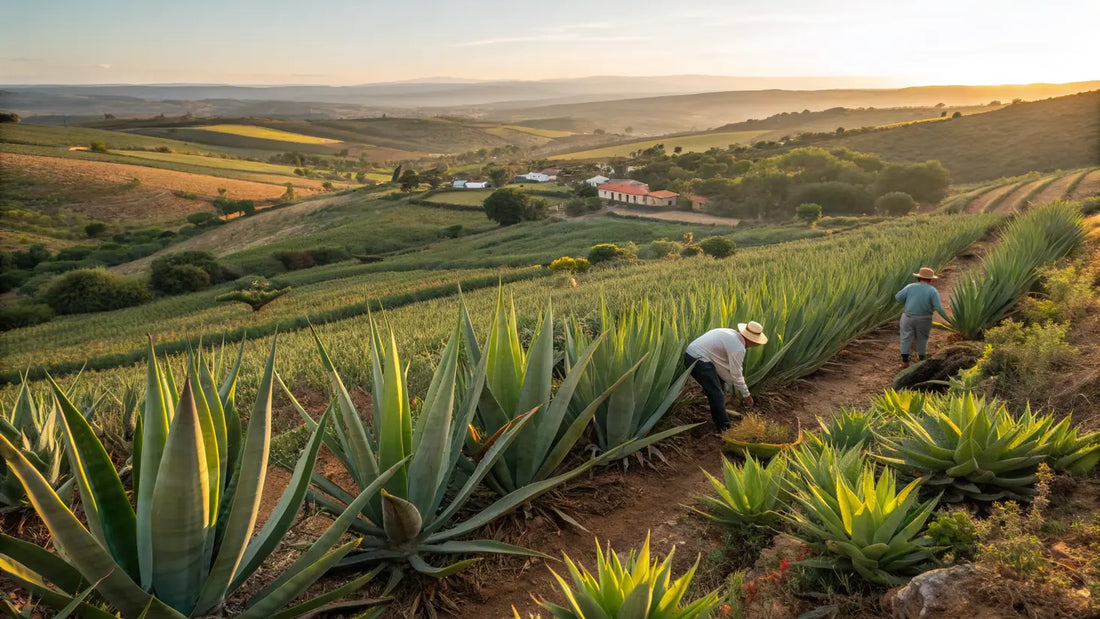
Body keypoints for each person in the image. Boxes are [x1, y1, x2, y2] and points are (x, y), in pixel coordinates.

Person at [683, 321, 768, 432]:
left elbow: (722, 364)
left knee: (718, 389)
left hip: (693, 354)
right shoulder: (738, 347)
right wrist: (746, 394)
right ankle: (724, 428)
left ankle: (719, 411)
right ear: (751, 340)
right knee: (716, 394)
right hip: (698, 359)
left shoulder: (731, 333)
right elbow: (736, 374)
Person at [894, 267, 947, 366]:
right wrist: (948, 319)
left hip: (907, 317)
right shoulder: (932, 291)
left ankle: (905, 362)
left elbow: (898, 297)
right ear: (930, 280)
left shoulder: (910, 286)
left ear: (918, 278)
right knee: (922, 338)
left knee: (906, 337)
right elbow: (938, 307)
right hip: (924, 319)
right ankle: (921, 360)